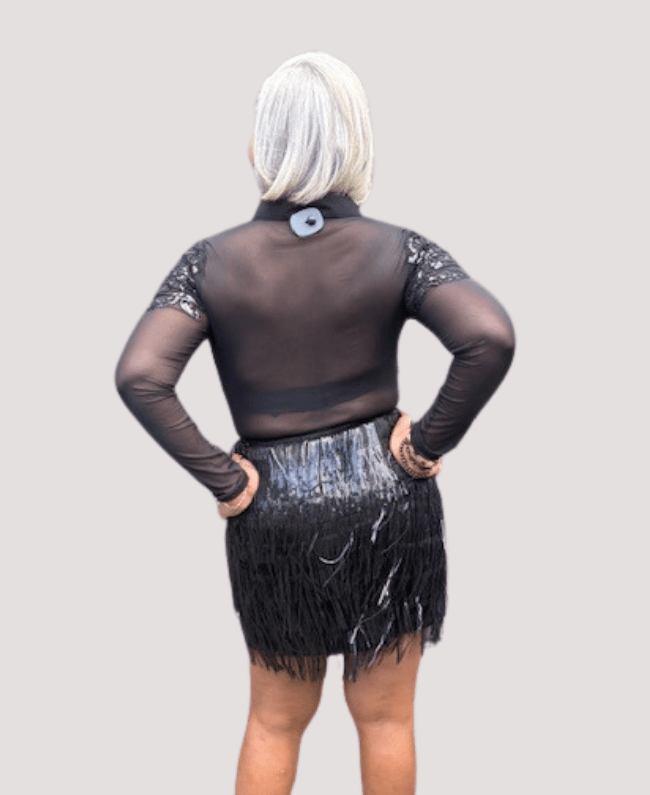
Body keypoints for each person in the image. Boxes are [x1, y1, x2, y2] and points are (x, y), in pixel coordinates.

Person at [115, 51, 515, 795]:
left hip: (272, 508)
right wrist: (426, 445)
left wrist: (226, 479)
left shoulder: (209, 263)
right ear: (357, 141)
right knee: (386, 719)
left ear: (259, 147)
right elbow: (488, 337)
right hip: (387, 497)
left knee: (274, 721)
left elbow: (141, 374)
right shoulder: (400, 249)